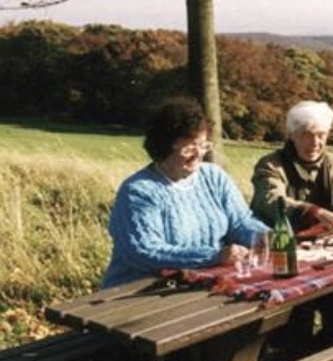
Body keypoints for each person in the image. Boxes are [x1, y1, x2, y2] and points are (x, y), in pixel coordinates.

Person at [103, 98, 270, 288]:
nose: (198, 154)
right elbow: (145, 251)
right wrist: (215, 256)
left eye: (204, 145)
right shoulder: (139, 192)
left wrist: (267, 238)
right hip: (137, 290)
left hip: (195, 283)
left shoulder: (214, 177)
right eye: (190, 148)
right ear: (164, 146)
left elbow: (240, 222)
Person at [250, 100, 333, 346]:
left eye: (321, 135)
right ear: (292, 135)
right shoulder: (271, 164)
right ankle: (294, 353)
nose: (315, 143)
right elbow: (271, 201)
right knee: (296, 319)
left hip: (323, 251)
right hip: (282, 254)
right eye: (307, 135)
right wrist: (315, 211)